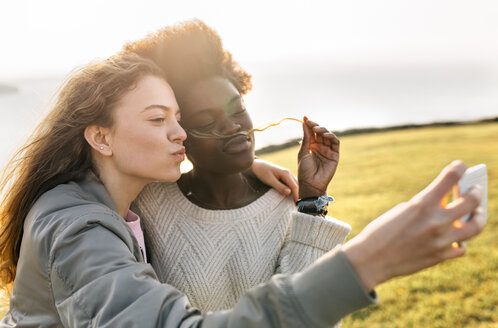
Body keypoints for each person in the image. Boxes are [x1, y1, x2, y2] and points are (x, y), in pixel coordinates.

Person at [0, 54, 484, 328]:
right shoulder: (78, 228)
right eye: (157, 120)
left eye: (177, 119)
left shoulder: (104, 197)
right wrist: (366, 262)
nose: (180, 134)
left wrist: (243, 161)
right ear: (100, 137)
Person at [124, 20, 351, 312]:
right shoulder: (147, 204)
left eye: (238, 109)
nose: (232, 126)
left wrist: (312, 198)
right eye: (207, 122)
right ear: (179, 134)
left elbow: (308, 312)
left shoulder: (290, 204)